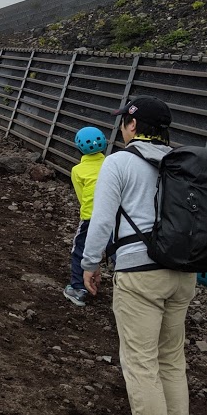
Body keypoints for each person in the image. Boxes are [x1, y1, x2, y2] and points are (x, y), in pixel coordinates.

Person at [82, 96, 196, 415]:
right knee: (172, 362)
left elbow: (102, 220)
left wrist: (90, 264)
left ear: (132, 125)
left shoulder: (119, 162)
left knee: (141, 365)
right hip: (183, 274)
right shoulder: (183, 163)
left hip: (140, 274)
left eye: (124, 122)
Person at [63, 126, 106, 307]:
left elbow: (82, 198)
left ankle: (78, 289)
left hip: (90, 218)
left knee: (79, 250)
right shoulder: (111, 163)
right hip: (115, 217)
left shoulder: (78, 170)